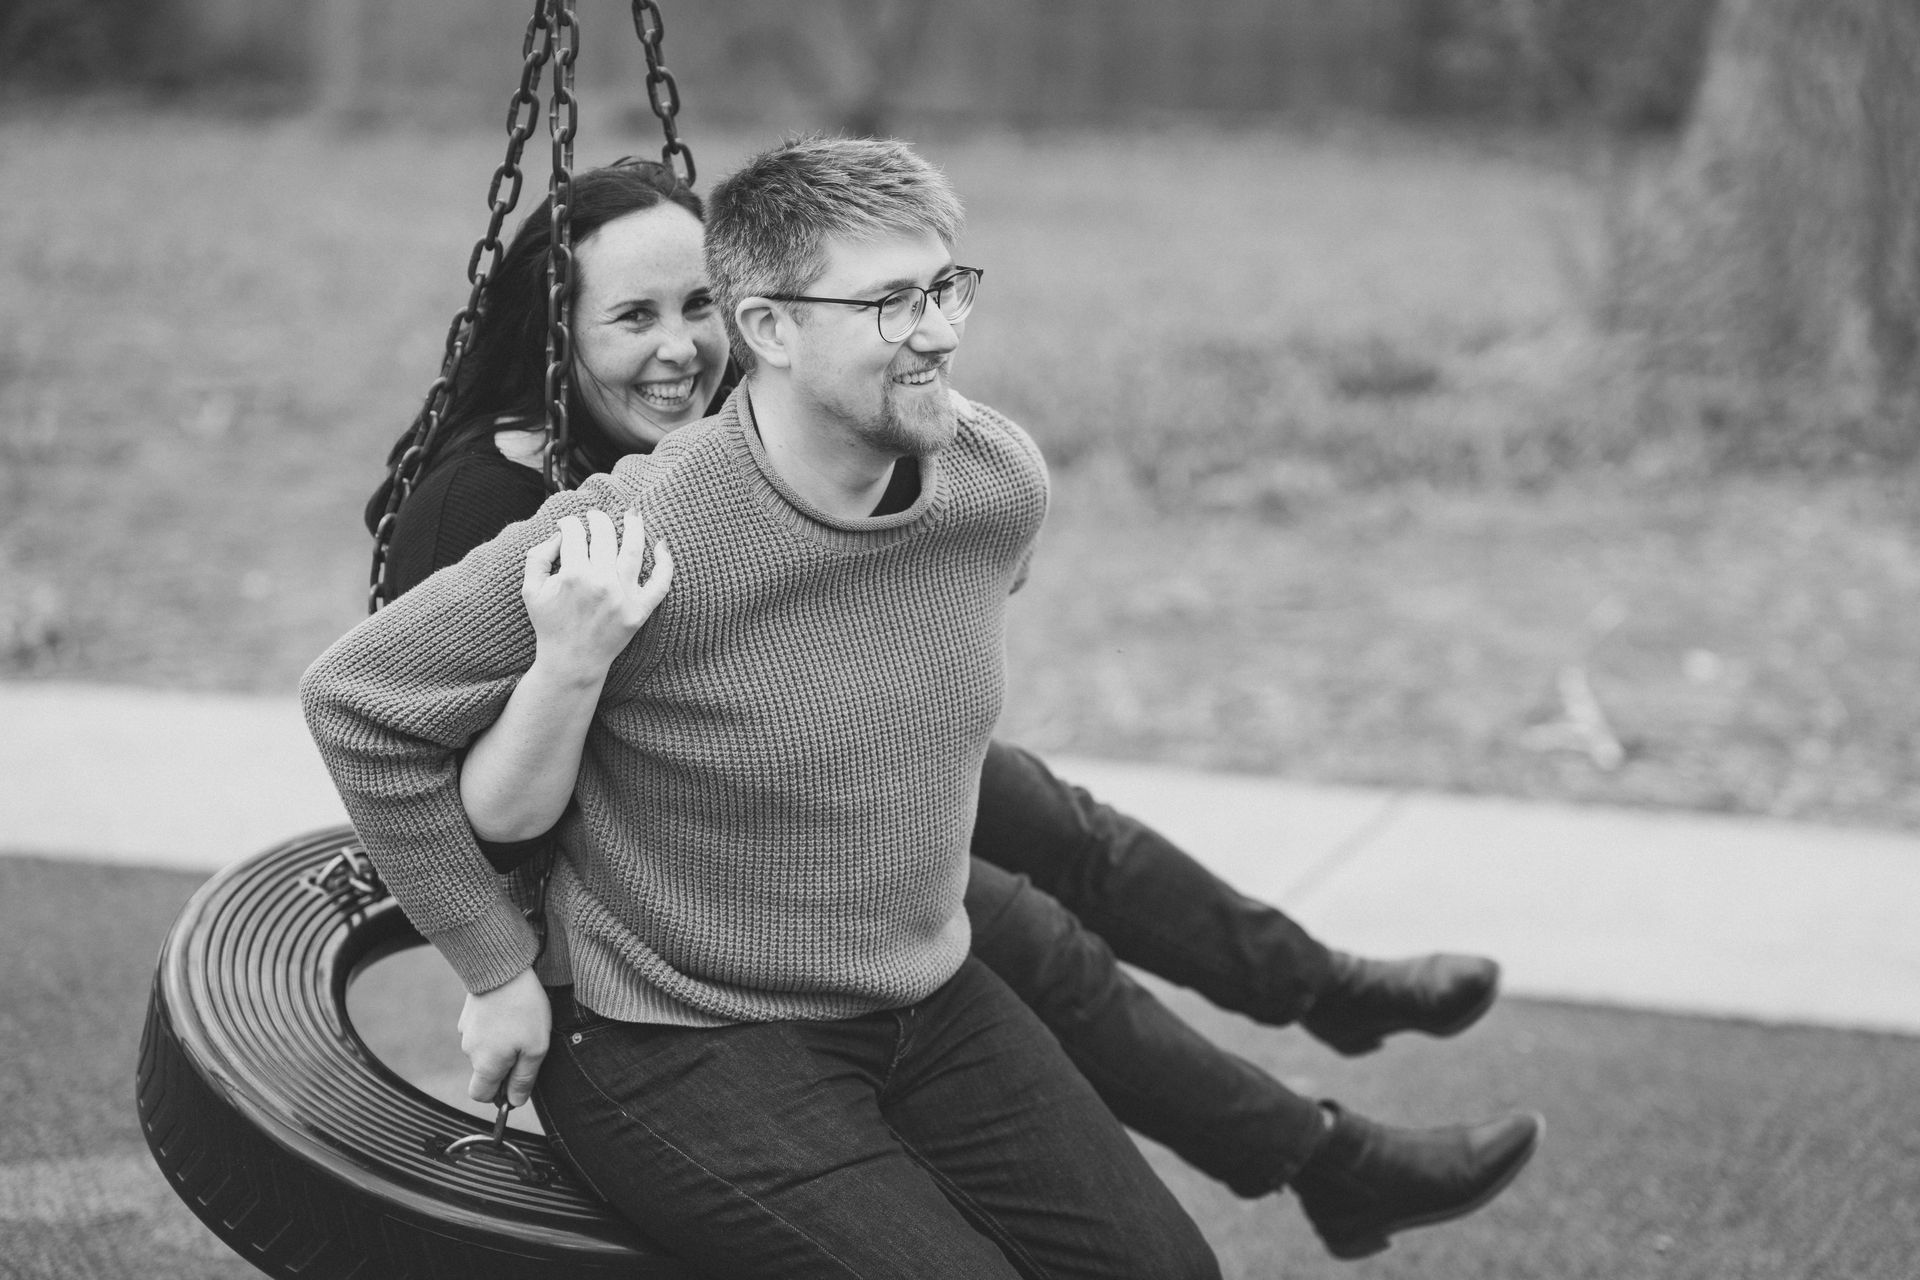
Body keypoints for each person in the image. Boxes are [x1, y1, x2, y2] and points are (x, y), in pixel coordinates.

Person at [363, 153, 1542, 1262]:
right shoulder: (561, 522)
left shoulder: (976, 479)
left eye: (696, 306)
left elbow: (907, 611)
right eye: (634, 317)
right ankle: (1323, 1126)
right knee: (1032, 952)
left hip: (871, 934)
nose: (681, 346)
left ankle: (1319, 1025)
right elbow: (430, 764)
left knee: (1052, 850)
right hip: (669, 970)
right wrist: (497, 963)